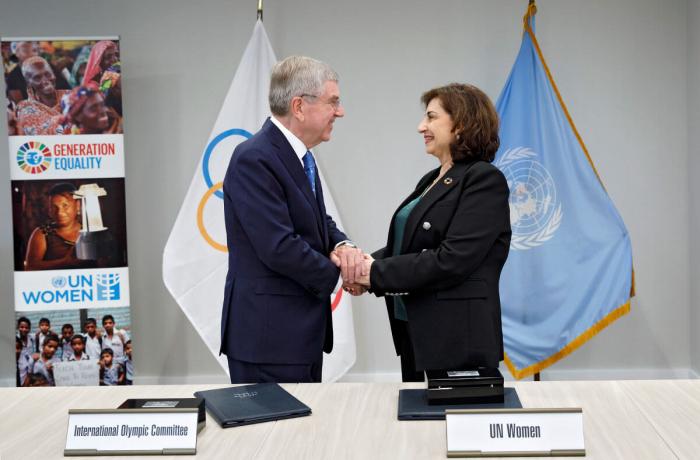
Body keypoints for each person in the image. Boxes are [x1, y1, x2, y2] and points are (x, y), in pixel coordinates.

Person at [354, 83, 511, 381]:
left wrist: (372, 273)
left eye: (431, 117)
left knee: (453, 423)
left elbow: (452, 260)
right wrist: (363, 265)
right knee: (417, 424)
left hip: (456, 338)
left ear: (461, 124)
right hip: (416, 329)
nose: (420, 127)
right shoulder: (432, 179)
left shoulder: (484, 180)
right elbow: (408, 246)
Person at [221, 55, 364, 383]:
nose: (339, 112)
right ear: (299, 106)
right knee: (271, 434)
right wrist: (345, 273)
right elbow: (279, 246)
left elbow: (317, 221)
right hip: (269, 338)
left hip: (297, 336)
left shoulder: (299, 156)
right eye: (333, 102)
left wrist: (343, 246)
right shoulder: (254, 158)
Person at [24, 182, 94, 271]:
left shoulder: (91, 232)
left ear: (77, 206)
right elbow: (29, 267)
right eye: (54, 207)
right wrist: (65, 262)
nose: (59, 212)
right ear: (49, 210)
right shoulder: (42, 233)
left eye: (65, 205)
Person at [14, 56, 69, 135]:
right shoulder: (26, 109)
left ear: (54, 74)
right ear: (29, 83)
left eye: (48, 74)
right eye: (37, 78)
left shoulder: (70, 97)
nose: (45, 81)